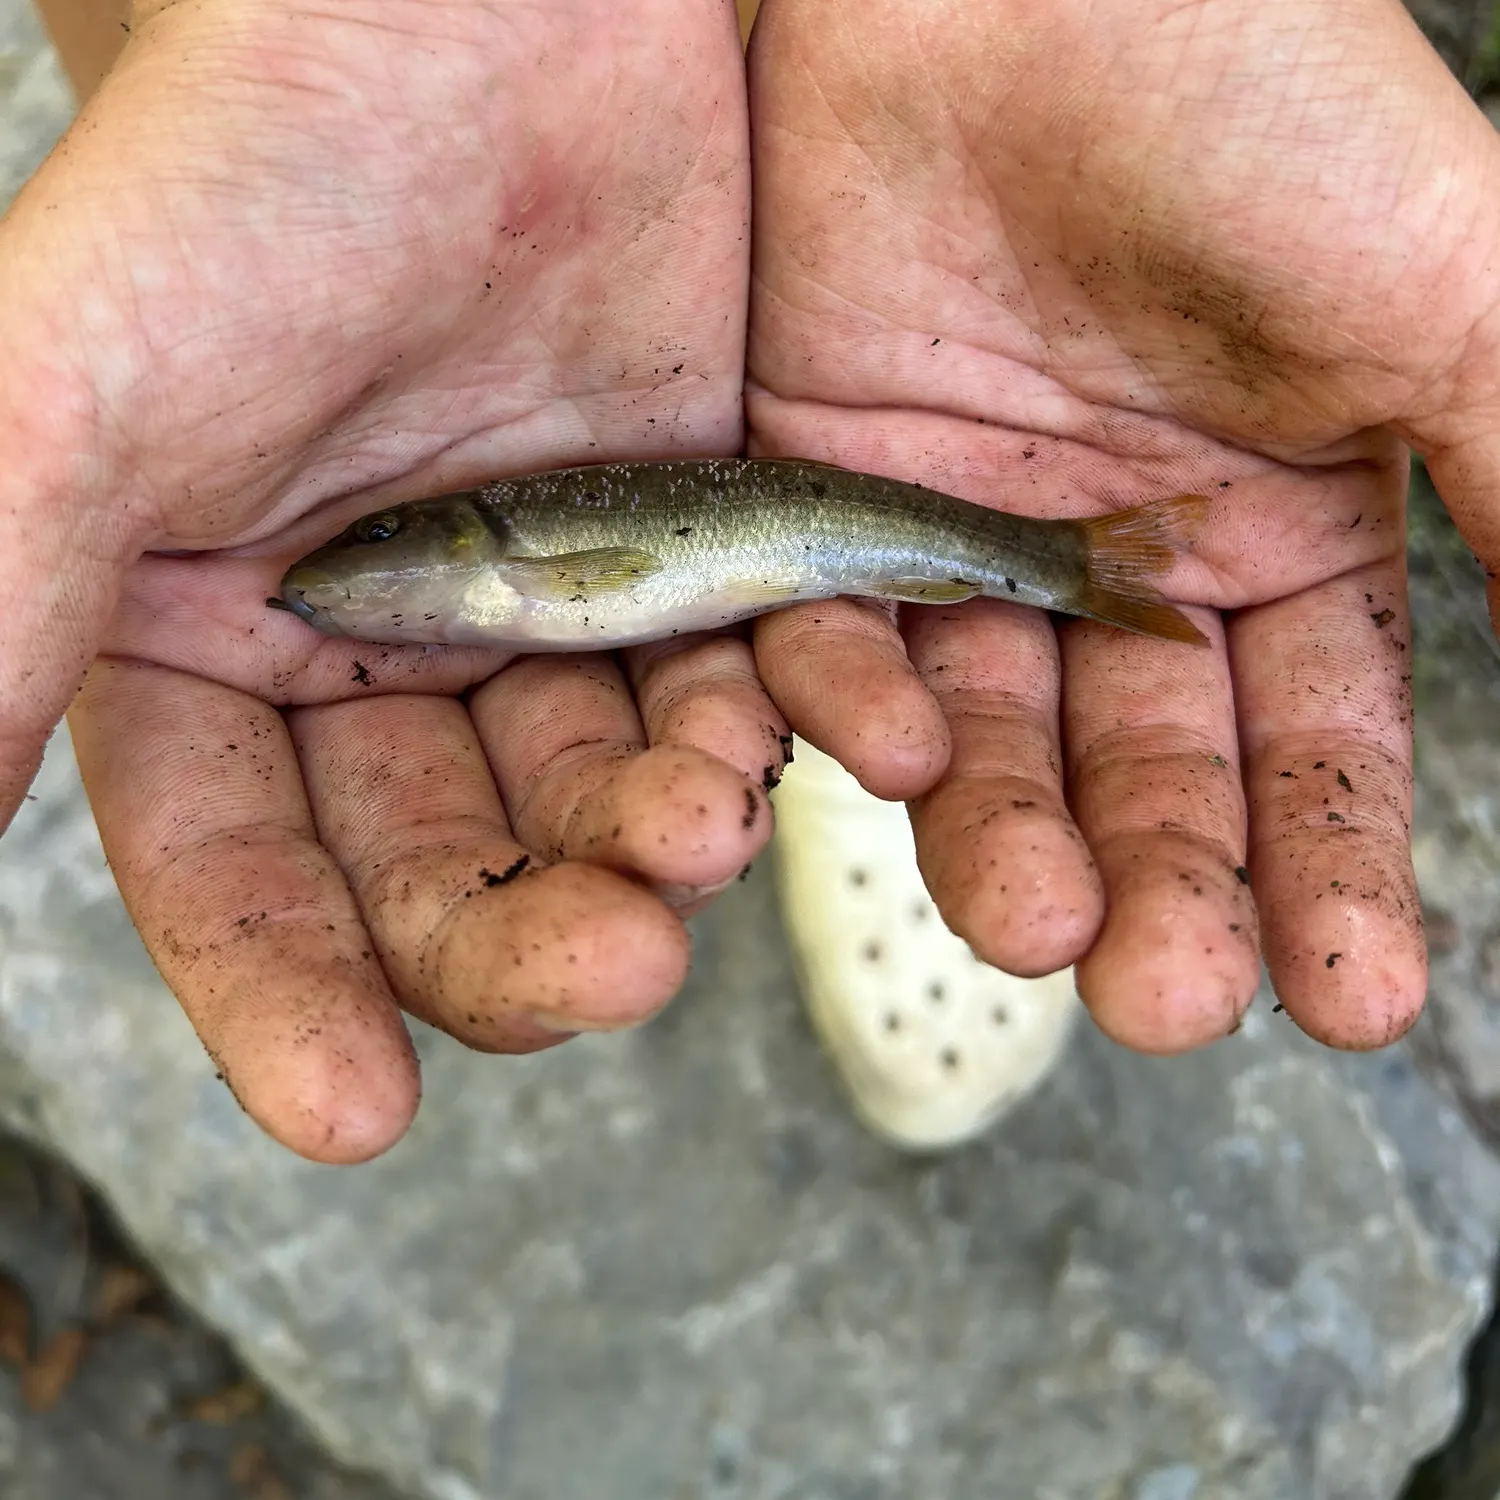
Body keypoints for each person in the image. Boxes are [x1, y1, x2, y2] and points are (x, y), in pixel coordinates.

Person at [2, 0, 1494, 1162]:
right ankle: (839, 704)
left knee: (859, 666)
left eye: (376, 558)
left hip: (861, 368)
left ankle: (872, 697)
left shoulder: (530, 551)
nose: (337, 581)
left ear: (462, 553)